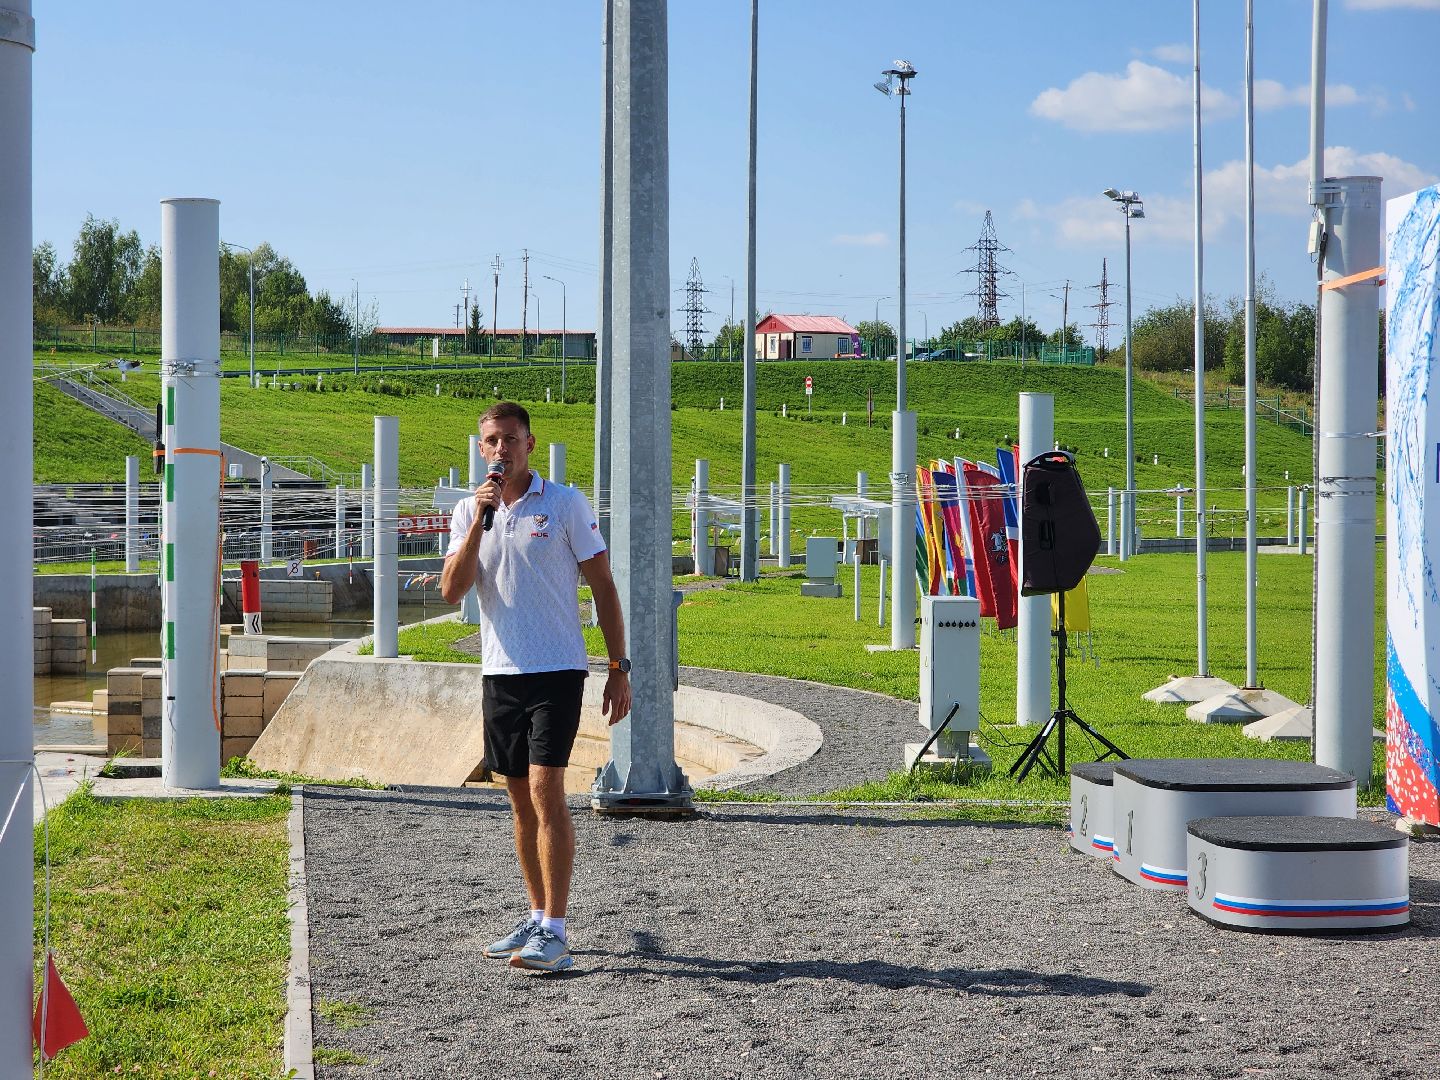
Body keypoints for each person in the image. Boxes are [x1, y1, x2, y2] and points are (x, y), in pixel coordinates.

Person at [440, 401, 632, 973]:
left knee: (548, 792)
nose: (501, 450)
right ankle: (534, 912)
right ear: (482, 449)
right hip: (500, 673)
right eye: (491, 441)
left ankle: (556, 928)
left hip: (557, 671)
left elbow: (603, 587)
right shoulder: (467, 512)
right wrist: (480, 520)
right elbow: (453, 591)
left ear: (530, 443)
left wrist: (618, 666)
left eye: (510, 439)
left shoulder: (567, 504)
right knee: (520, 802)